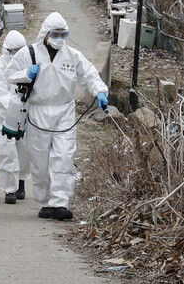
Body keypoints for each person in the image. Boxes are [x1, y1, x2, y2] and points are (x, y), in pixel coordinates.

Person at [8, 12, 107, 221]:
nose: (59, 38)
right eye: (56, 34)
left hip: (64, 111)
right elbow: (9, 73)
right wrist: (26, 74)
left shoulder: (72, 55)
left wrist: (100, 91)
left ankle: (60, 202)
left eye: (63, 34)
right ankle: (45, 202)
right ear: (46, 33)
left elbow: (89, 74)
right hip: (37, 111)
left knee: (63, 157)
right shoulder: (29, 53)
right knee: (40, 159)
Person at [0, 29, 31, 204]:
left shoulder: (27, 64)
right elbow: (0, 93)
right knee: (7, 150)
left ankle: (20, 181)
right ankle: (9, 189)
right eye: (15, 51)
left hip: (23, 113)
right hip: (3, 113)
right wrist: (15, 106)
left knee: (24, 148)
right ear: (7, 50)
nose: (18, 55)